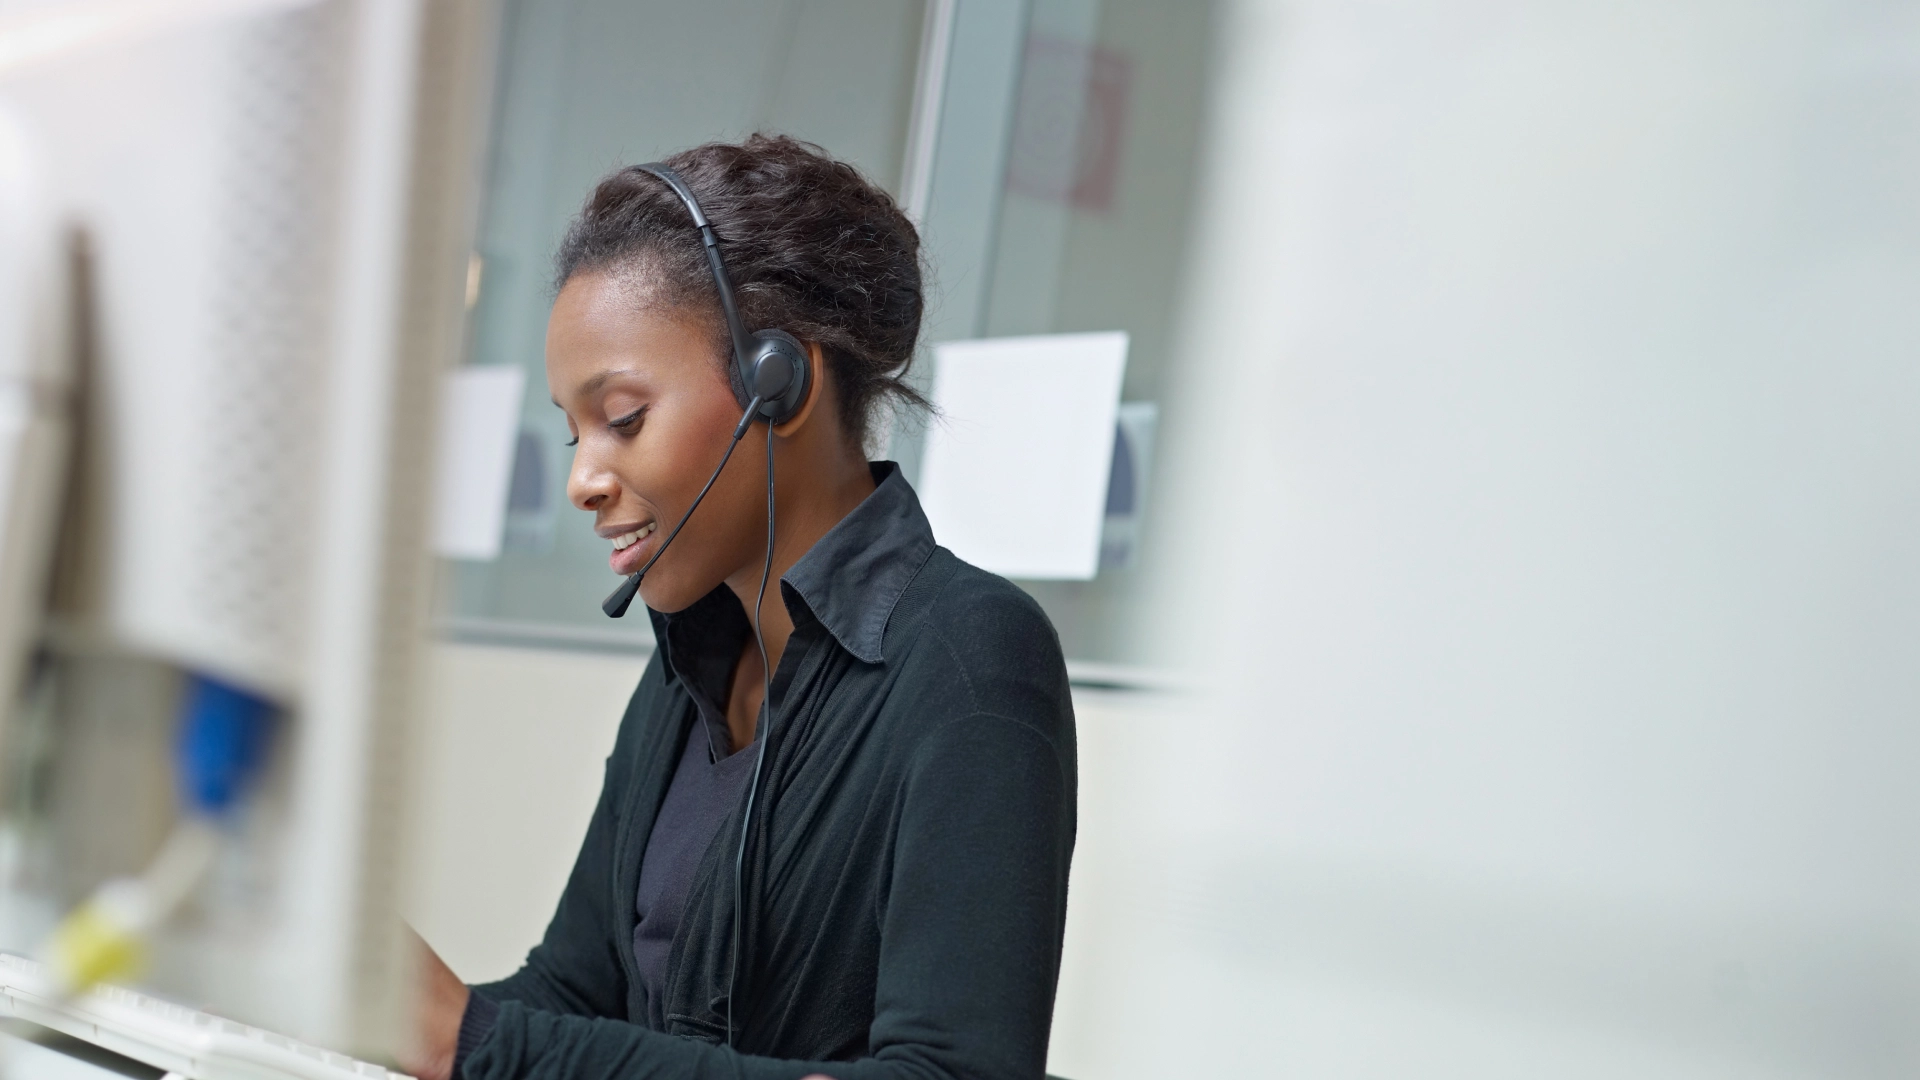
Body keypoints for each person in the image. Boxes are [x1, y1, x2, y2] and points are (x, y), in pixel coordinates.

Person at [402, 135, 1077, 1080]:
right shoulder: (689, 665)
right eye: (573, 433)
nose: (584, 481)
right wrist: (366, 1015)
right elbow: (575, 994)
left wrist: (477, 1046)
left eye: (624, 418)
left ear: (781, 386)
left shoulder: (970, 656)